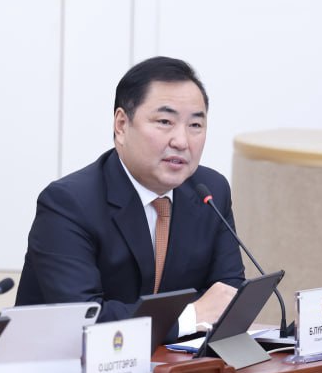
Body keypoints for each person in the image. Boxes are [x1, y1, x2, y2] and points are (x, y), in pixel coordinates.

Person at [15, 56, 243, 336]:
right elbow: (84, 320)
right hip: (64, 361)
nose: (182, 141)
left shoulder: (211, 191)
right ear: (121, 125)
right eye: (165, 121)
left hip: (172, 361)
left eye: (195, 125)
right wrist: (188, 318)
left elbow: (226, 295)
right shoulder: (68, 204)